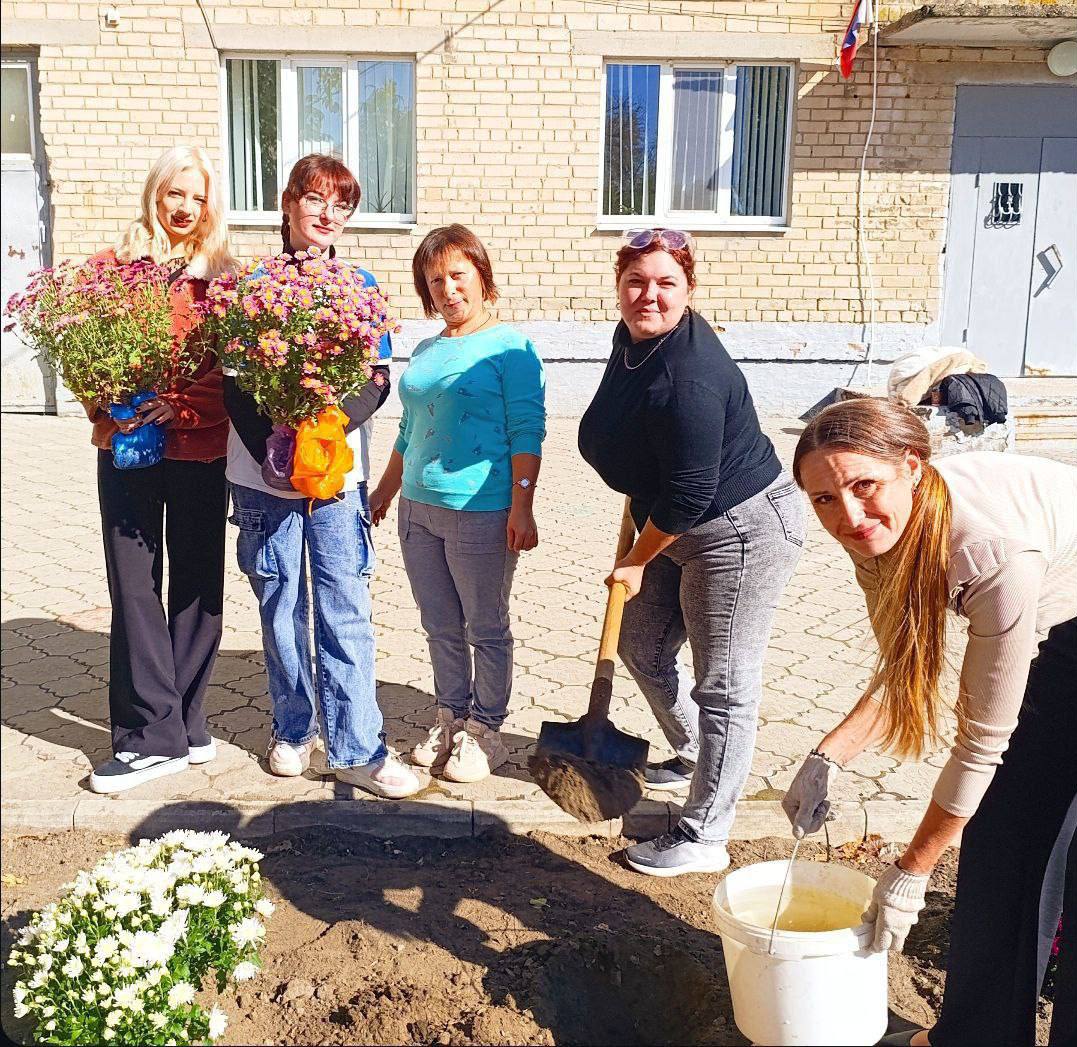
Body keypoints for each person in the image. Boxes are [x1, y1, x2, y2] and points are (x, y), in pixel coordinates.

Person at [783, 397, 1077, 1047]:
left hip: (1066, 618)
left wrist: (912, 870)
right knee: (1011, 836)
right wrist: (830, 753)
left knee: (1024, 824)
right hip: (1055, 612)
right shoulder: (873, 533)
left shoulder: (991, 548)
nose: (849, 515)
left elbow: (981, 745)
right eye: (824, 499)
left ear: (912, 465)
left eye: (865, 486)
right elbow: (907, 660)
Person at [577, 228, 805, 876]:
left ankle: (706, 832)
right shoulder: (636, 338)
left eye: (665, 283)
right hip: (673, 525)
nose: (649, 294)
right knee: (640, 645)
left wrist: (636, 558)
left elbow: (689, 491)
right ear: (620, 284)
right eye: (636, 281)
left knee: (725, 685)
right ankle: (692, 752)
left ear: (689, 289)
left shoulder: (691, 376)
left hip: (738, 532)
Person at [224, 154, 420, 799]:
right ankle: (292, 729)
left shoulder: (358, 286)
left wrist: (326, 428)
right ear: (287, 203)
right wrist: (275, 453)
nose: (327, 216)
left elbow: (378, 377)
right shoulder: (253, 285)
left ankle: (359, 748)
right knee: (281, 603)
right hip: (264, 478)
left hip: (336, 477)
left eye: (341, 206)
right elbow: (234, 385)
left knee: (344, 607)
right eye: (316, 200)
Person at [370, 224, 546, 784]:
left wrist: (522, 507)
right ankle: (450, 715)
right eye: (434, 280)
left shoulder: (510, 347)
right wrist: (383, 492)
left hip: (483, 510)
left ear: (481, 277)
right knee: (440, 625)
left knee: (485, 626)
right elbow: (407, 429)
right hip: (417, 510)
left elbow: (527, 431)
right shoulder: (426, 349)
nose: (447, 290)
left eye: (457, 276)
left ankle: (486, 729)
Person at [86, 146, 235, 793]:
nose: (183, 207)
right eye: (175, 193)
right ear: (155, 194)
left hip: (199, 449)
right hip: (127, 451)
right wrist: (106, 402)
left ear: (210, 207)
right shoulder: (113, 269)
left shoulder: (223, 279)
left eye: (196, 196)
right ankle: (155, 733)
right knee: (134, 585)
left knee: (198, 583)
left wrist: (178, 404)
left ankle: (183, 721)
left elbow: (235, 378)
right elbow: (80, 345)